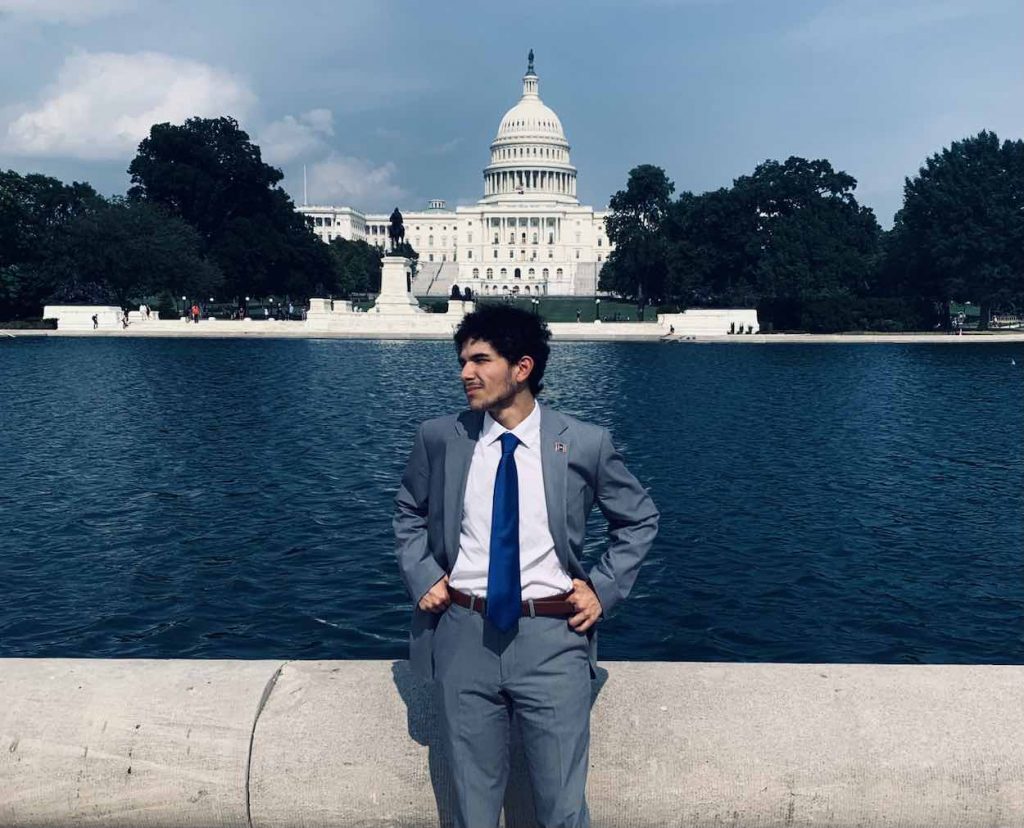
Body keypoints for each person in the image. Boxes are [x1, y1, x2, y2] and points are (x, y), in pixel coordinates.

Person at [394, 304, 658, 828]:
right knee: (471, 809)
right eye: (463, 360)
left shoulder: (584, 442)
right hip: (463, 633)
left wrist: (602, 589)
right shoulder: (441, 437)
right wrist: (422, 573)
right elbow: (408, 510)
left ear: (522, 368)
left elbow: (640, 519)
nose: (465, 373)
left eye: (480, 360)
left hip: (553, 638)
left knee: (561, 809)